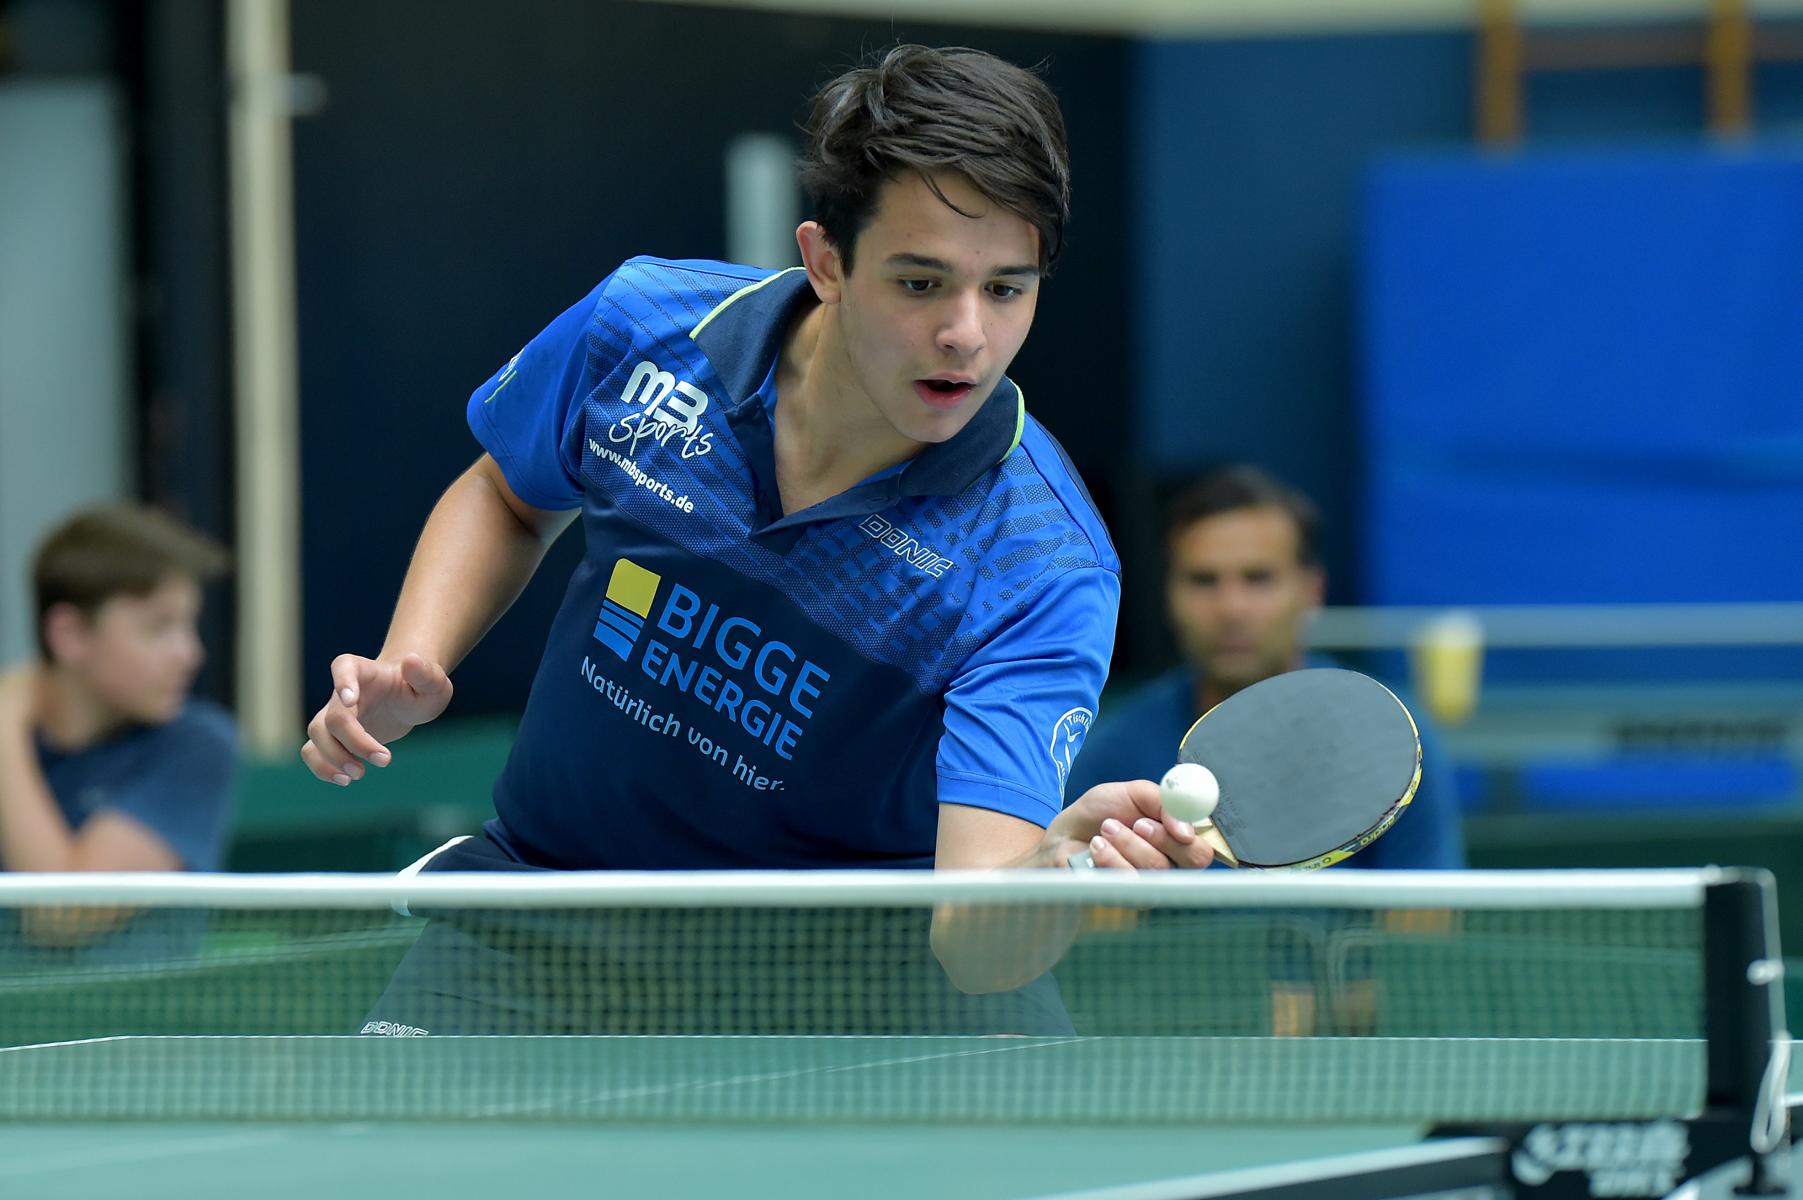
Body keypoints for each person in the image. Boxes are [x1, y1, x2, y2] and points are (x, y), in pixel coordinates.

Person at [301, 45, 1211, 1036]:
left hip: (862, 982)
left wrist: (1060, 866)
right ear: (826, 261)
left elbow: (974, 938)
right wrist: (415, 655)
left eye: (1005, 289)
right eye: (920, 283)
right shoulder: (647, 326)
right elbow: (506, 493)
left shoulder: (1038, 562)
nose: (966, 335)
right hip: (549, 910)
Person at [1066, 465, 1465, 1035]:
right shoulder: (1115, 754)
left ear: (1311, 591)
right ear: (1169, 595)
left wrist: (1286, 1020)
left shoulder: (1394, 743)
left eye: (1258, 579)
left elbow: (1418, 962)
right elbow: (1097, 966)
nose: (1231, 607)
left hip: (1342, 1061)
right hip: (1169, 1058)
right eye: (1204, 580)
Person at [0, 504, 237, 961]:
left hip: (137, 1010)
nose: (191, 654)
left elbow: (62, 914)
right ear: (69, 635)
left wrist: (4, 725)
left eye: (188, 624)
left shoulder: (197, 746)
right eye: (158, 628)